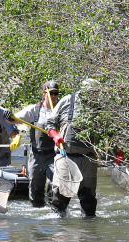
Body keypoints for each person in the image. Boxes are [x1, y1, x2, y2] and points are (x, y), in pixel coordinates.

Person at [45, 78, 103, 217]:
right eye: (92, 92)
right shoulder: (67, 101)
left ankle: (89, 231)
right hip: (66, 157)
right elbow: (50, 123)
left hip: (89, 159)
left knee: (89, 200)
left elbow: (109, 131)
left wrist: (117, 152)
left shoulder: (99, 106)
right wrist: (55, 136)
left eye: (96, 92)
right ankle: (59, 231)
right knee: (60, 198)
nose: (94, 95)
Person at [4, 81, 59, 207]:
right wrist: (8, 116)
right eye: (51, 93)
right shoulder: (34, 110)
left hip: (53, 155)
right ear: (44, 94)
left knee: (54, 185)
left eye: (56, 93)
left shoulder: (59, 111)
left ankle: (55, 212)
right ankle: (37, 214)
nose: (53, 96)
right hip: (36, 155)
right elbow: (13, 120)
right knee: (35, 188)